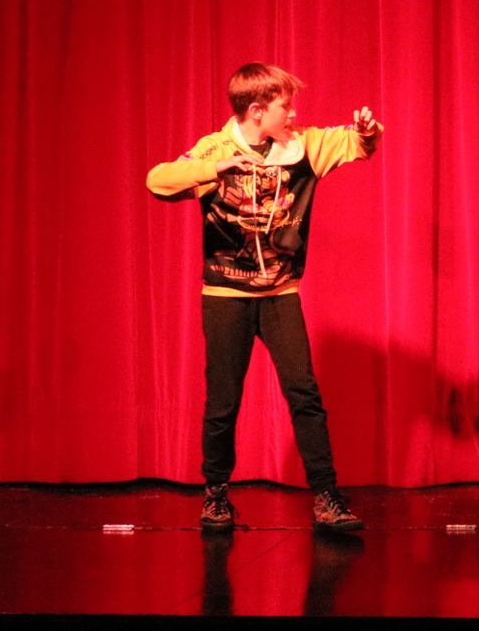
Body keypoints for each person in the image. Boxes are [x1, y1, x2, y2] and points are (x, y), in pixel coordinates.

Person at [146, 63, 381, 532]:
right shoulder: (216, 148)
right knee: (223, 401)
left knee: (304, 394)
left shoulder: (303, 146)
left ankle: (326, 496)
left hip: (280, 294)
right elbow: (158, 180)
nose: (293, 114)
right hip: (225, 295)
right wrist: (214, 169)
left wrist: (366, 132)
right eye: (284, 106)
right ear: (256, 111)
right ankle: (215, 496)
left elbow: (356, 144)